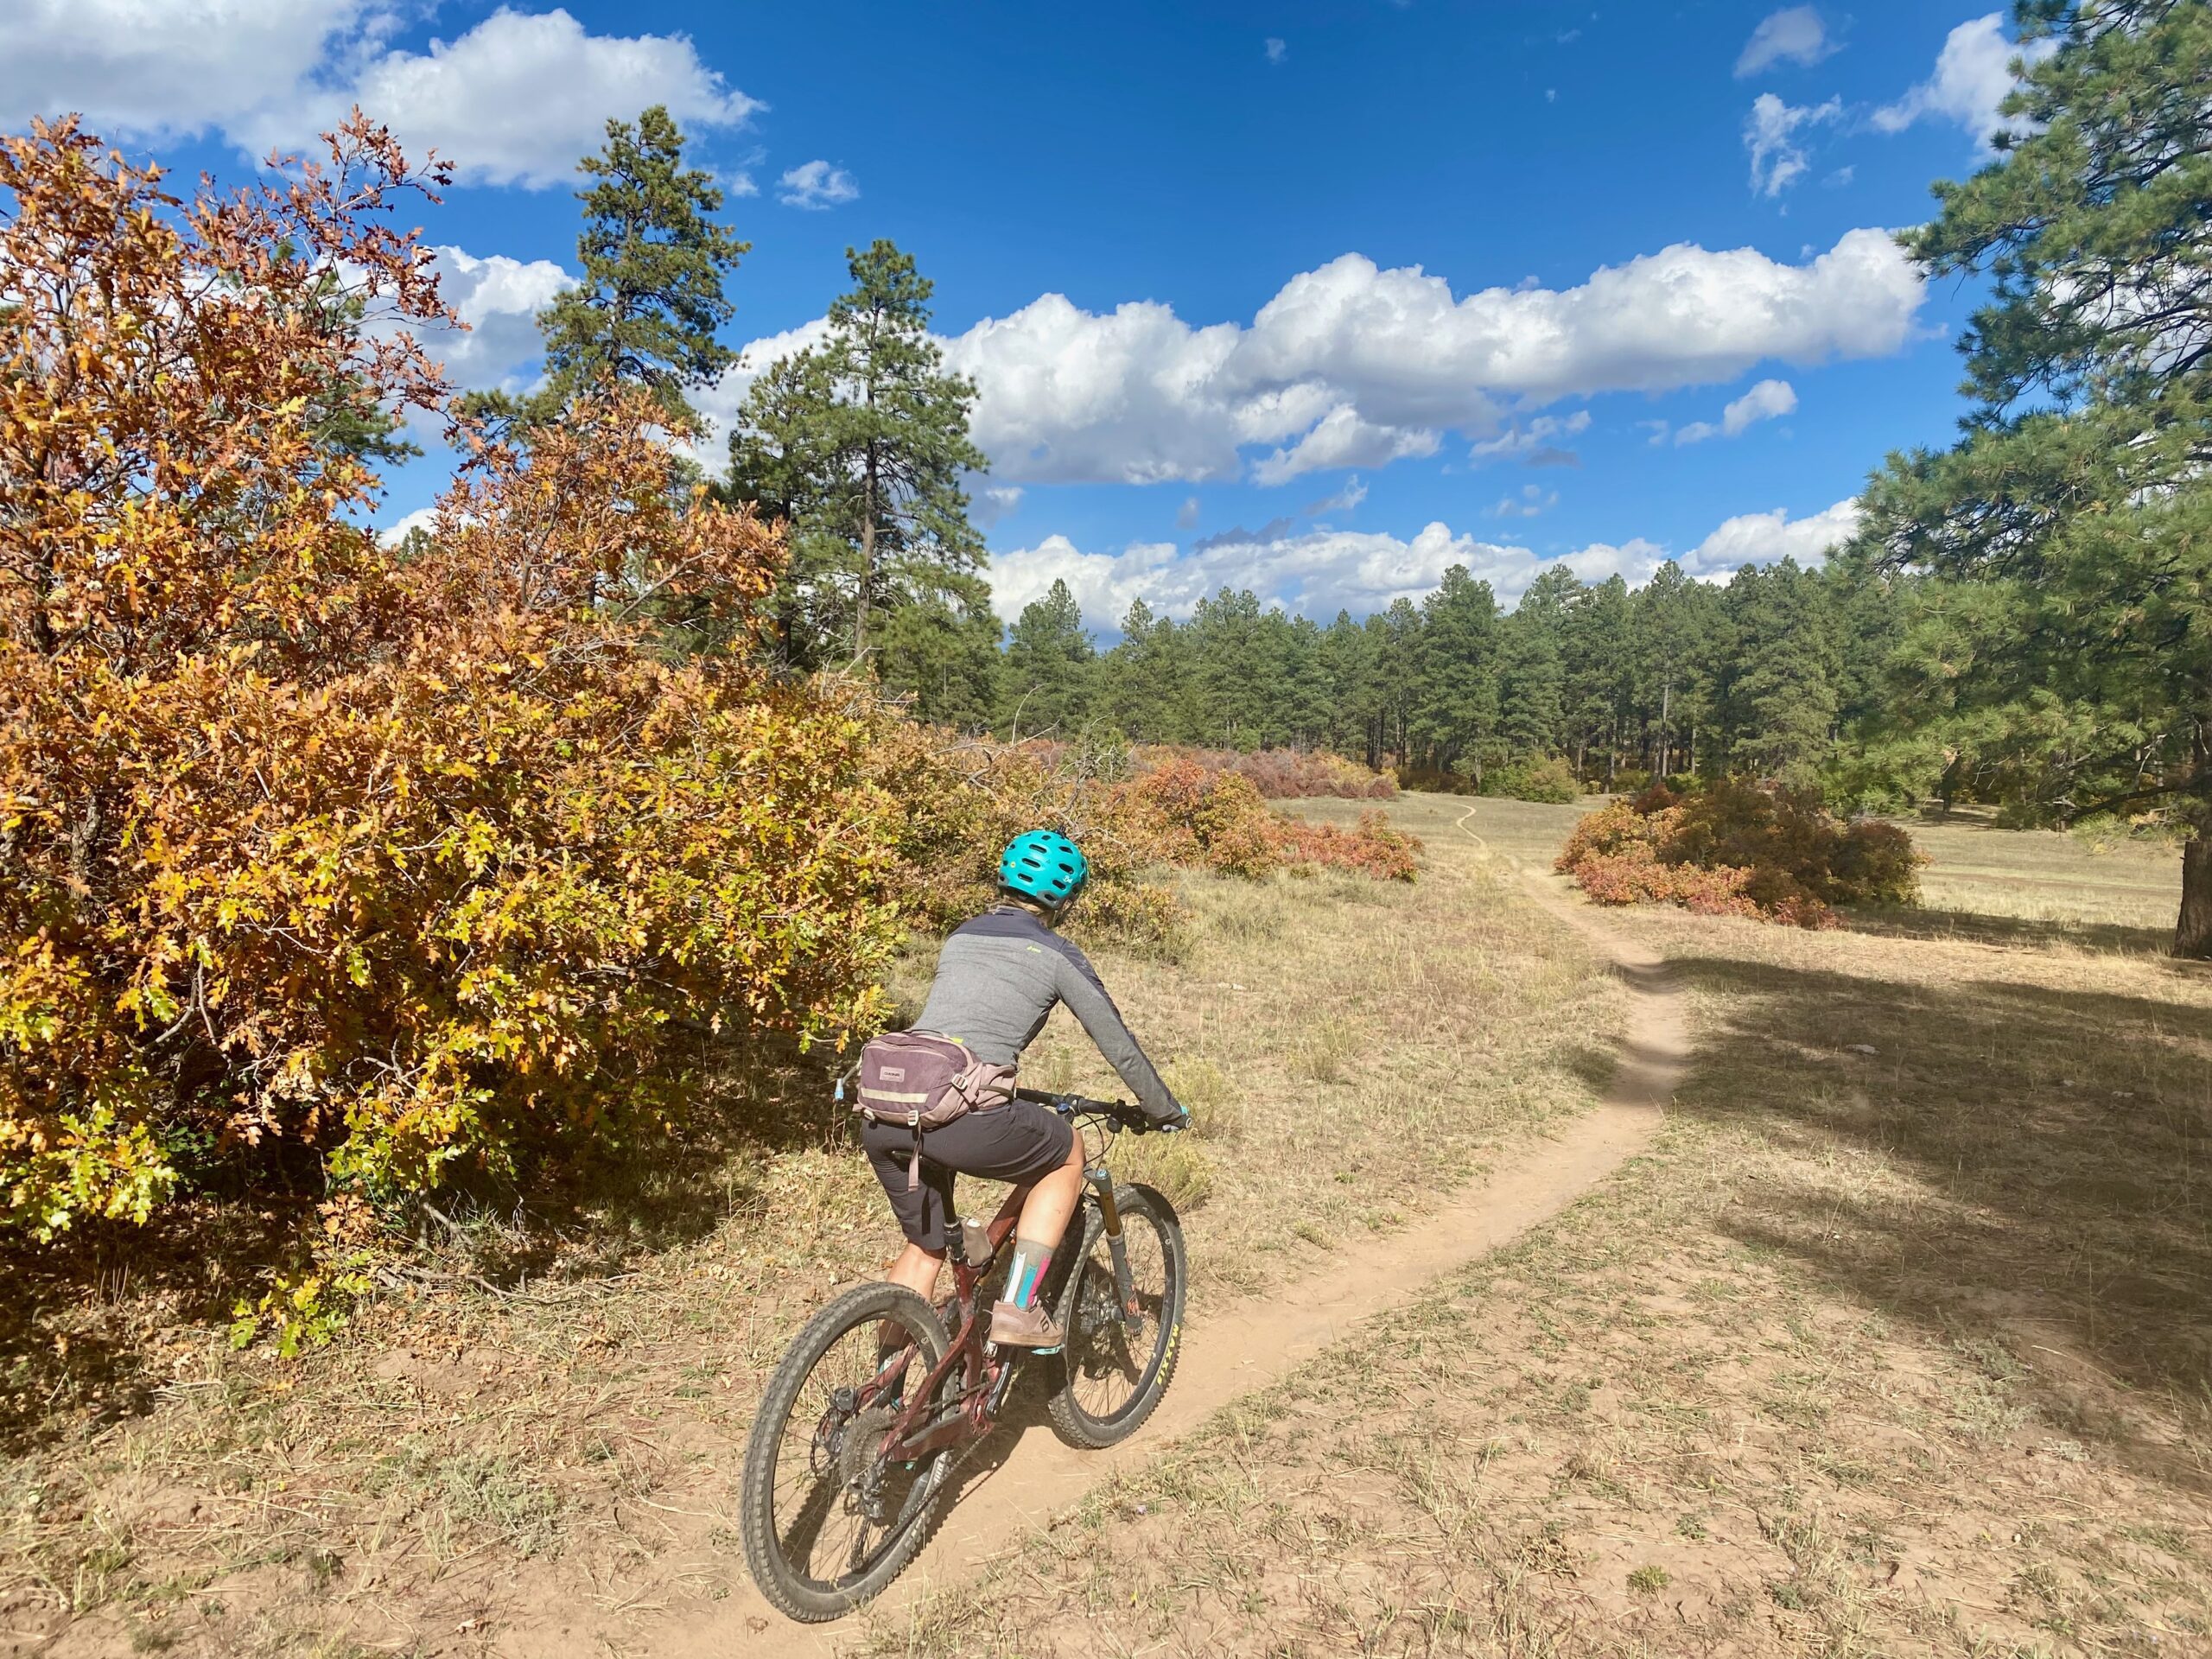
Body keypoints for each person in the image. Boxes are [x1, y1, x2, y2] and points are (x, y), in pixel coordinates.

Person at [861, 830, 1187, 1350]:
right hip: (963, 1117)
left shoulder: (961, 935)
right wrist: (1163, 1108)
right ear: (1066, 899)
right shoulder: (1055, 953)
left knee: (924, 1249)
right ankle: (1018, 1307)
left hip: (887, 1110)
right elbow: (1118, 1044)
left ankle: (883, 1392)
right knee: (1067, 1154)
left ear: (1003, 879)